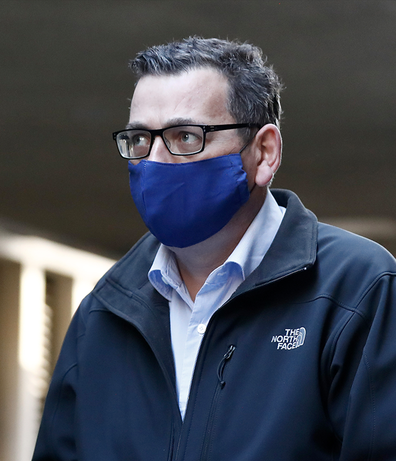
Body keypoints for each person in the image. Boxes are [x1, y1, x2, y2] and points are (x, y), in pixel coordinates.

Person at [33, 37, 396, 460]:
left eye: (185, 137)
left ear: (263, 153)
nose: (154, 161)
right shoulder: (104, 314)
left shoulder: (356, 291)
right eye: (139, 140)